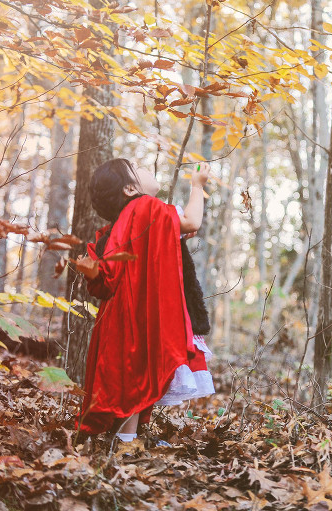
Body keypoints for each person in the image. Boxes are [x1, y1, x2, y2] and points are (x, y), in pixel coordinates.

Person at [74, 158, 214, 442]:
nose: (145, 166)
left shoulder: (126, 219)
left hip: (121, 314)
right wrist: (197, 186)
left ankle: (125, 442)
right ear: (129, 188)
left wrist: (174, 235)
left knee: (131, 377)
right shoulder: (145, 206)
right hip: (138, 311)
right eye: (137, 167)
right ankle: (125, 447)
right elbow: (192, 220)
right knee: (138, 374)